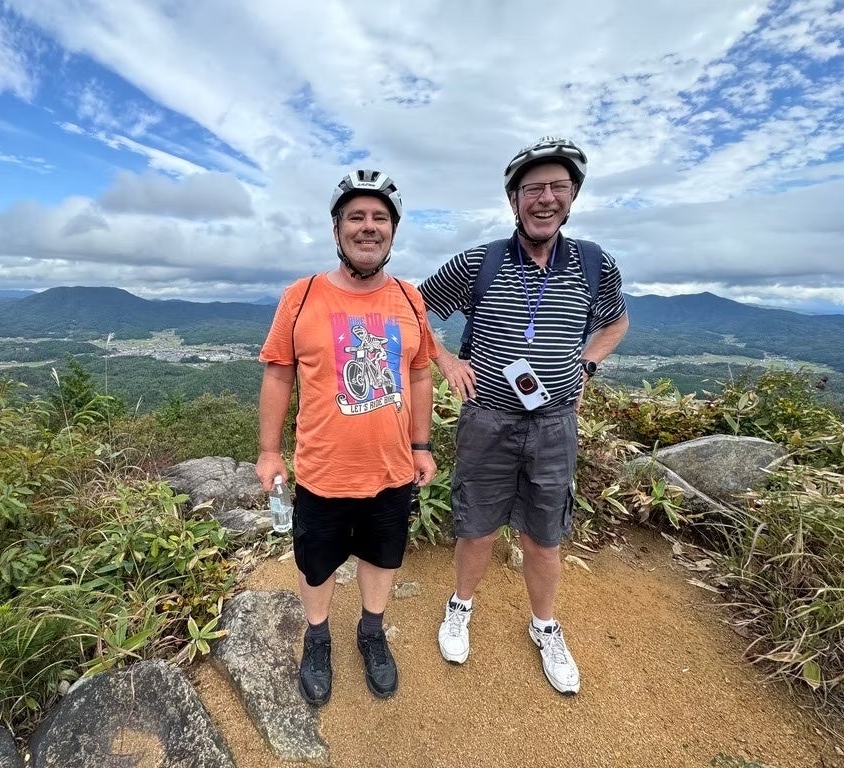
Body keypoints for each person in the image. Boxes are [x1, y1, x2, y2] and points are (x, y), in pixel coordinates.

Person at [417, 137, 629, 695]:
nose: (546, 198)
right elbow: (414, 308)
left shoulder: (594, 264)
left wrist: (586, 366)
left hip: (554, 422)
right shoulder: (479, 262)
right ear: (514, 200)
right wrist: (447, 360)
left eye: (558, 186)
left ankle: (545, 626)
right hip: (488, 417)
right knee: (477, 526)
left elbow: (615, 322)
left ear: (573, 195)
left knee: (544, 535)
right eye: (533, 188)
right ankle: (460, 606)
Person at [256, 169, 437, 706]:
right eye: (356, 216)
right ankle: (317, 637)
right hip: (322, 470)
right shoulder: (302, 295)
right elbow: (278, 374)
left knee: (382, 557)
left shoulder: (409, 298)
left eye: (380, 217)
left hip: (392, 468)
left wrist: (421, 446)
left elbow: (420, 373)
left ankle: (371, 631)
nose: (368, 226)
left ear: (393, 231)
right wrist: (269, 452)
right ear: (337, 229)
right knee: (316, 562)